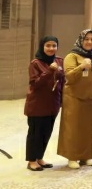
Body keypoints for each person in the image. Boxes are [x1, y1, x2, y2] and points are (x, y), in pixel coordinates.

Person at [57, 29, 92, 169]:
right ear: (81, 40)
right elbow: (69, 77)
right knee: (73, 128)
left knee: (90, 128)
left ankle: (87, 156)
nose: (89, 42)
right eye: (86, 39)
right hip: (74, 97)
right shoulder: (72, 56)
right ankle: (72, 156)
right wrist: (82, 67)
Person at [25, 36, 64, 171]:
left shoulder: (59, 61)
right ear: (42, 46)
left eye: (54, 45)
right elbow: (35, 84)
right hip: (37, 105)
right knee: (35, 133)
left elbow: (62, 81)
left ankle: (39, 158)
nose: (51, 48)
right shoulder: (35, 63)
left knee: (46, 133)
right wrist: (49, 71)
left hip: (53, 104)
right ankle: (31, 160)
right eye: (48, 45)